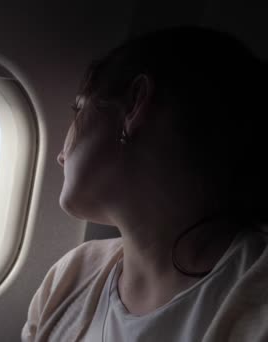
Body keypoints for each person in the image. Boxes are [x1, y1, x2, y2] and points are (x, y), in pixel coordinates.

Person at [22, 26, 268, 342]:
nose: (60, 155)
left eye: (79, 109)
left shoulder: (257, 299)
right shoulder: (70, 275)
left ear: (135, 104)